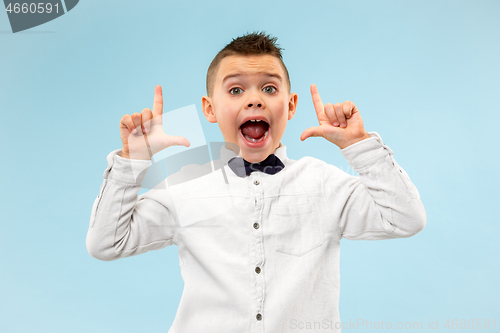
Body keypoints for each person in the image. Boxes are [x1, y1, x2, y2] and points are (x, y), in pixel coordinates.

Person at [86, 31, 426, 333]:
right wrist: (133, 161)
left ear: (291, 106)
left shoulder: (323, 183)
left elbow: (405, 218)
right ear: (210, 108)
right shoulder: (185, 185)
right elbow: (106, 243)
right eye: (235, 89)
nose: (254, 99)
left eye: (269, 88)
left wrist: (359, 145)